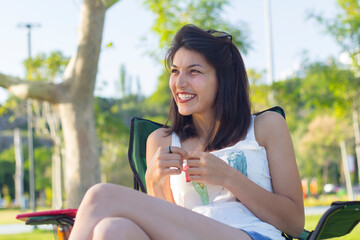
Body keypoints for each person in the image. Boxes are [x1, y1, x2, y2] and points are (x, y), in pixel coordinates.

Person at [69, 24, 304, 240]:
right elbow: (164, 223)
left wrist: (229, 177)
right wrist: (153, 184)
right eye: (175, 71)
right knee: (111, 230)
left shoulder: (266, 126)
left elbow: (294, 223)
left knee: (101, 195)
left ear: (223, 80)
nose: (179, 83)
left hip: (252, 234)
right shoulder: (161, 140)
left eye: (193, 72)